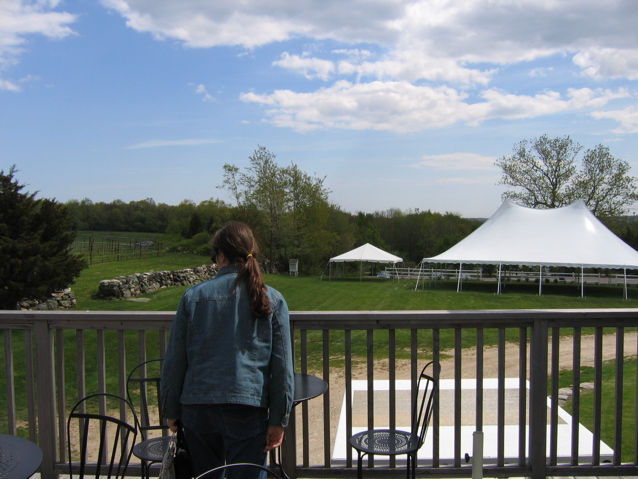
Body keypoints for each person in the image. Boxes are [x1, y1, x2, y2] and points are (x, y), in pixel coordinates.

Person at [161, 222, 295, 478]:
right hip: (247, 409)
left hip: (197, 409)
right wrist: (278, 419)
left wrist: (171, 411)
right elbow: (282, 368)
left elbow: (176, 360)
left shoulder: (193, 297)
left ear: (221, 255)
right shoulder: (272, 299)